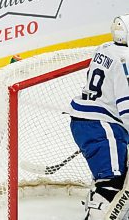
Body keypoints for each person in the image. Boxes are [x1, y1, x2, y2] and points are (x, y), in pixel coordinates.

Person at [69, 14, 129, 219]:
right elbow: (127, 107)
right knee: (112, 180)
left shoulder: (104, 48)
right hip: (103, 126)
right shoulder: (125, 59)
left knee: (112, 172)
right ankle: (99, 208)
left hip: (87, 120)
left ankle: (101, 200)